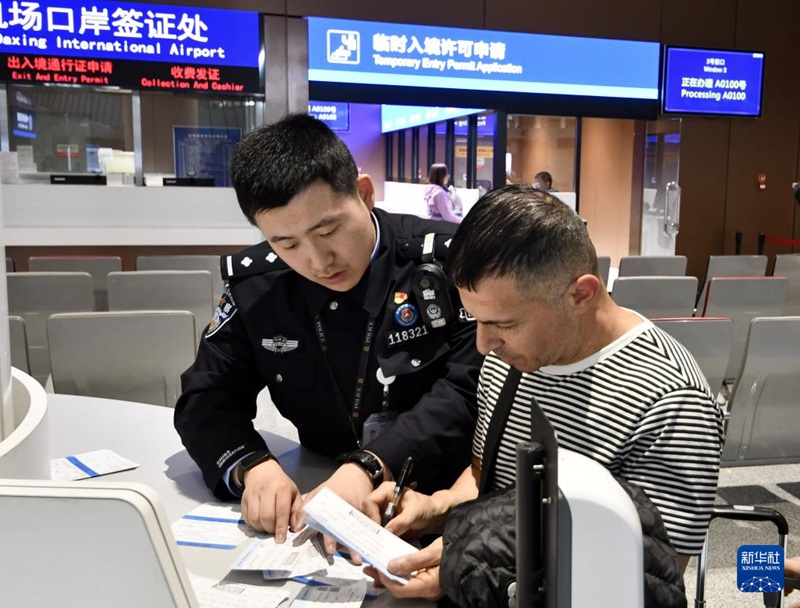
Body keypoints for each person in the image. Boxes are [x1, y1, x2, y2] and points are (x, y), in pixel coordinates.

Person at [361, 185, 724, 601]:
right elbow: (486, 476)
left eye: (505, 324)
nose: (483, 345)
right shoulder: (510, 357)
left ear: (581, 295)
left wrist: (470, 568)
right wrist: (435, 508)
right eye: (476, 320)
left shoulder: (673, 399)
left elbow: (648, 575)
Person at [174, 113, 482, 545]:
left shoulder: (450, 261)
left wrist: (371, 465)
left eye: (328, 230)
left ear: (364, 193)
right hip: (319, 500)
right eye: (287, 244)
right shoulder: (257, 287)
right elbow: (205, 395)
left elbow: (469, 389)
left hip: (443, 504)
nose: (318, 261)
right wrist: (250, 465)